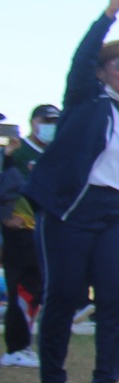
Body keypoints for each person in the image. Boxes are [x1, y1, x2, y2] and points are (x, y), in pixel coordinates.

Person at [24, 0, 119, 383]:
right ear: (102, 72)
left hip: (114, 213)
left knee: (117, 294)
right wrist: (109, 15)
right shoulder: (85, 99)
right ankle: (51, 382)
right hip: (71, 208)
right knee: (64, 294)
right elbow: (80, 58)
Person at [2, 102, 57, 366]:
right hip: (19, 231)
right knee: (20, 289)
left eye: (55, 122)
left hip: (44, 232)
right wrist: (5, 217)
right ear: (33, 122)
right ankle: (16, 348)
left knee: (34, 290)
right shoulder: (18, 150)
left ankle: (24, 345)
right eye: (45, 121)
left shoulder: (58, 153)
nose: (50, 127)